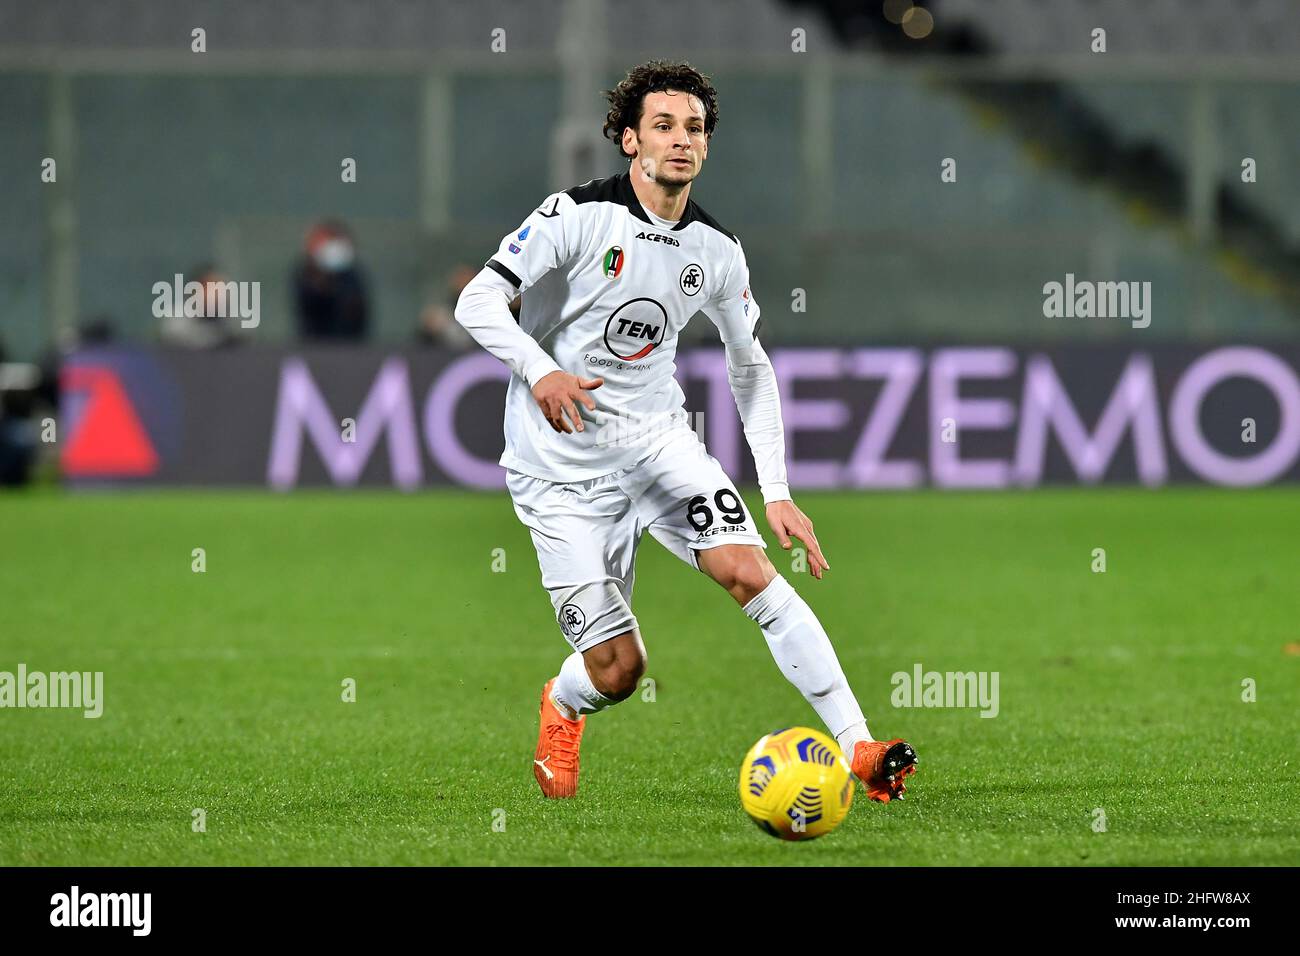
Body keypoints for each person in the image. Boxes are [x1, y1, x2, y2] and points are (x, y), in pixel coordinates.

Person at [454, 60, 917, 802]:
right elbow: (477, 302)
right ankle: (564, 702)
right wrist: (541, 371)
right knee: (619, 670)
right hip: (559, 468)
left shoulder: (716, 250)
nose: (680, 140)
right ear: (630, 139)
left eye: (694, 128)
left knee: (750, 572)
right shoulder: (574, 216)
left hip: (659, 445)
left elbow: (751, 367)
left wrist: (777, 491)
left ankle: (858, 747)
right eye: (663, 125)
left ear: (705, 147)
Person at [293, 221, 369, 341]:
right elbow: (309, 308)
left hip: (350, 345)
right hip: (312, 345)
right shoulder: (303, 273)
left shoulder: (353, 275)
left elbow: (355, 314)